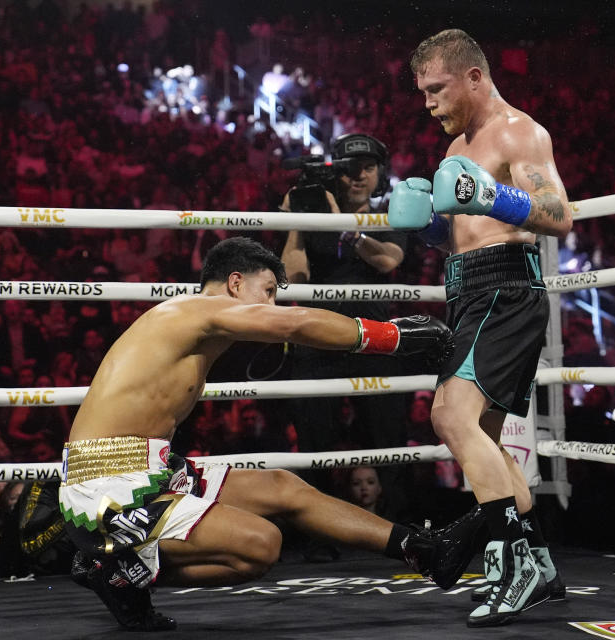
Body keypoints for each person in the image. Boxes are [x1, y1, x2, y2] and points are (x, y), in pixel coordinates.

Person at [59, 237, 474, 631]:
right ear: (235, 283)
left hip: (150, 469)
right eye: (269, 290)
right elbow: (295, 323)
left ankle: (421, 549)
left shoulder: (196, 326)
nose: (273, 304)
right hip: (107, 486)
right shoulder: (194, 310)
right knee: (261, 545)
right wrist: (393, 337)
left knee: (281, 486)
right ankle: (115, 572)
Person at [390, 29, 572, 627]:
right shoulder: (455, 149)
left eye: (436, 89)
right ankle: (536, 562)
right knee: (484, 442)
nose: (429, 104)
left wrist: (493, 193)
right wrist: (427, 228)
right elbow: (464, 228)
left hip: (505, 291)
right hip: (469, 291)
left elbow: (557, 215)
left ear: (474, 77)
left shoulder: (520, 131)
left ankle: (518, 563)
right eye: (422, 93)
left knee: (450, 417)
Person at [281, 133, 410, 521]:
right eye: (349, 169)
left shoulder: (390, 214)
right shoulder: (314, 214)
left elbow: (388, 260)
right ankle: (320, 529)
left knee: (390, 438)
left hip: (375, 337)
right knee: (315, 443)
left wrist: (345, 229)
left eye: (367, 168)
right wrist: (296, 223)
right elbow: (295, 277)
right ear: (335, 173)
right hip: (319, 338)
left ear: (380, 174)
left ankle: (404, 526)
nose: (357, 177)